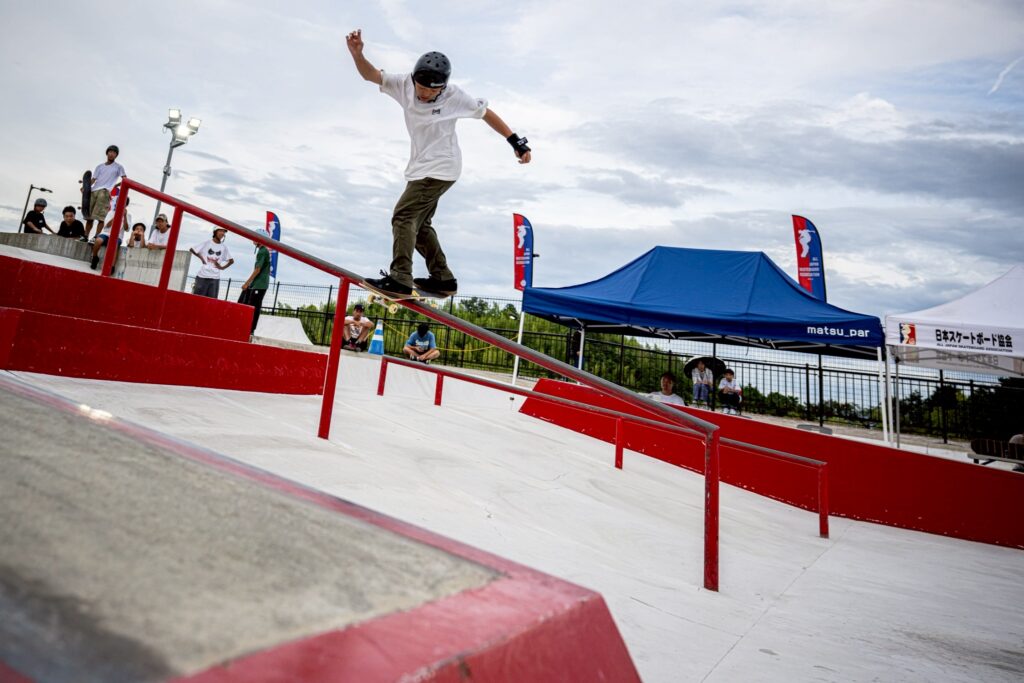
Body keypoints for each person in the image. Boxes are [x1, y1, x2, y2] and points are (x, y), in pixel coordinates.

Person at [345, 29, 531, 297]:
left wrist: (515, 141)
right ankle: (443, 279)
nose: (423, 95)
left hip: (442, 168)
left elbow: (486, 114)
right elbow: (370, 75)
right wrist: (358, 55)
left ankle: (400, 279)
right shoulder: (404, 84)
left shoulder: (455, 96)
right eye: (420, 88)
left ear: (442, 88)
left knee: (403, 216)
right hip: (420, 169)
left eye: (431, 92)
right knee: (419, 226)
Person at [84, 145, 126, 241]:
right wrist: (86, 187)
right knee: (89, 216)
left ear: (116, 155)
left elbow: (125, 179)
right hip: (94, 191)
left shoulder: (118, 167)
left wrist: (114, 186)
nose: (112, 154)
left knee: (100, 217)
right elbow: (93, 179)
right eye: (110, 152)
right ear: (107, 153)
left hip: (105, 192)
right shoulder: (99, 166)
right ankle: (85, 236)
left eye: (114, 153)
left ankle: (96, 237)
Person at [189, 227, 234, 298]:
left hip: (215, 278)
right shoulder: (207, 243)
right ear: (215, 232)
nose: (222, 233)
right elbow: (192, 249)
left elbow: (231, 261)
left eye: (224, 231)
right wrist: (202, 258)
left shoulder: (223, 247)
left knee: (212, 300)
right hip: (202, 276)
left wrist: (222, 267)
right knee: (197, 299)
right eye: (220, 231)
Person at [90, 197, 131, 271]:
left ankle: (112, 266)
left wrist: (124, 216)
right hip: (106, 234)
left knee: (115, 245)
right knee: (98, 241)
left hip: (118, 236)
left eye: (123, 203)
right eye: (118, 202)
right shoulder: (111, 212)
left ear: (126, 205)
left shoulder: (128, 215)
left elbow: (126, 229)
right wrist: (117, 215)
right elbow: (107, 226)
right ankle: (95, 257)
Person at [240, 242, 272, 335]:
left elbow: (257, 269)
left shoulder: (262, 251)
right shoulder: (264, 250)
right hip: (259, 283)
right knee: (252, 306)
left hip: (259, 284)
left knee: (253, 307)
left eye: (255, 239)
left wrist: (247, 283)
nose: (252, 241)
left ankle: (250, 330)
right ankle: (249, 328)